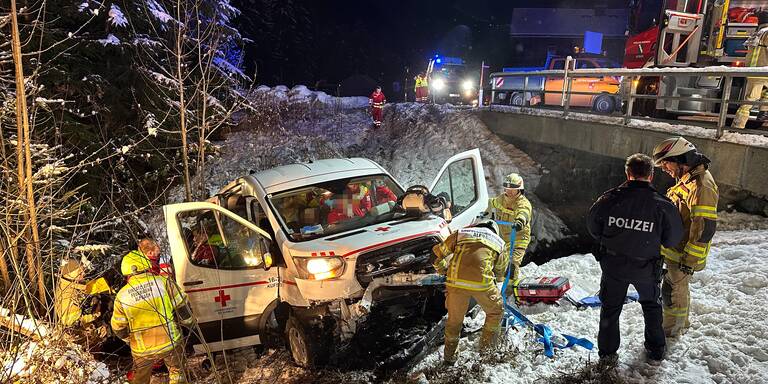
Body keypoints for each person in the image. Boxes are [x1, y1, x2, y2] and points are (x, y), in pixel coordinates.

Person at [587, 153, 684, 363]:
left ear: (627, 174)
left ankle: (607, 354)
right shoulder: (663, 205)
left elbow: (593, 227)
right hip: (646, 268)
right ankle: (656, 349)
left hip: (614, 267)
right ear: (651, 176)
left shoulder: (609, 199)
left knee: (610, 310)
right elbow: (673, 239)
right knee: (651, 307)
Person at [652, 137, 719, 337]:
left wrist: (689, 260)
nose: (664, 168)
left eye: (666, 162)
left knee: (675, 293)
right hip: (675, 249)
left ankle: (673, 332)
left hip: (683, 255)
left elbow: (704, 229)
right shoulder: (687, 179)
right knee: (671, 289)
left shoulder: (702, 186)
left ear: (681, 159)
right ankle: (677, 324)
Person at [112, 239, 193, 384]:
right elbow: (182, 306)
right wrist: (189, 324)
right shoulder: (163, 282)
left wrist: (129, 339)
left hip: (142, 350)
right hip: (170, 342)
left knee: (140, 379)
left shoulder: (122, 295)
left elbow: (118, 327)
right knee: (177, 372)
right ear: (146, 264)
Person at [432, 219, 507, 365]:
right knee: (495, 312)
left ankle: (449, 358)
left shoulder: (461, 234)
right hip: (482, 284)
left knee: (454, 321)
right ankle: (486, 352)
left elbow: (437, 254)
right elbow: (499, 273)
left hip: (455, 282)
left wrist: (444, 270)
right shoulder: (499, 243)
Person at [484, 173, 533, 283]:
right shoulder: (501, 199)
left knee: (512, 264)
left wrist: (520, 222)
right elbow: (490, 203)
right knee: (499, 265)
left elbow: (524, 212)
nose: (509, 191)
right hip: (504, 240)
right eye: (507, 188)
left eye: (513, 189)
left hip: (519, 239)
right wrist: (483, 212)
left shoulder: (523, 203)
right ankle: (499, 286)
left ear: (519, 189)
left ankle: (510, 290)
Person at [54, 259, 109, 348]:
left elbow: (87, 288)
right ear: (69, 273)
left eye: (83, 270)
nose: (83, 273)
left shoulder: (70, 284)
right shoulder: (68, 294)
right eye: (79, 271)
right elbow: (73, 323)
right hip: (81, 337)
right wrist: (96, 316)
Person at [732, 11, 768, 129]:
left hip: (754, 71)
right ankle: (737, 126)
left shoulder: (757, 33)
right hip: (762, 70)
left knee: (752, 98)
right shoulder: (766, 33)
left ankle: (763, 112)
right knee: (749, 101)